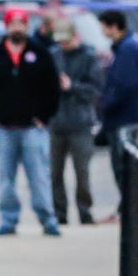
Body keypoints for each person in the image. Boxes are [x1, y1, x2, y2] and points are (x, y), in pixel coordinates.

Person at [0, 7, 62, 237]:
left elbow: (52, 88)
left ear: (26, 26)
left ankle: (48, 219)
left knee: (39, 177)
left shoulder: (40, 54)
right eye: (12, 24)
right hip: (4, 129)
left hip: (32, 129)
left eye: (21, 23)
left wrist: (44, 117)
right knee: (6, 179)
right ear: (6, 27)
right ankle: (8, 219)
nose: (17, 28)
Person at [49, 18, 103, 226]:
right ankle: (59, 213)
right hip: (56, 122)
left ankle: (85, 211)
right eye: (60, 41)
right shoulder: (54, 55)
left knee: (82, 172)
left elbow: (95, 90)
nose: (63, 45)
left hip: (81, 123)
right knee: (55, 173)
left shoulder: (89, 57)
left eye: (66, 41)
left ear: (75, 37)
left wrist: (72, 87)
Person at [98, 8, 138, 217]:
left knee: (124, 168)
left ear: (113, 27)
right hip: (126, 116)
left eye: (104, 27)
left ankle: (131, 211)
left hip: (125, 118)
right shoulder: (127, 47)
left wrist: (106, 105)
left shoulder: (127, 49)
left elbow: (125, 85)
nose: (102, 32)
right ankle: (128, 209)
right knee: (125, 168)